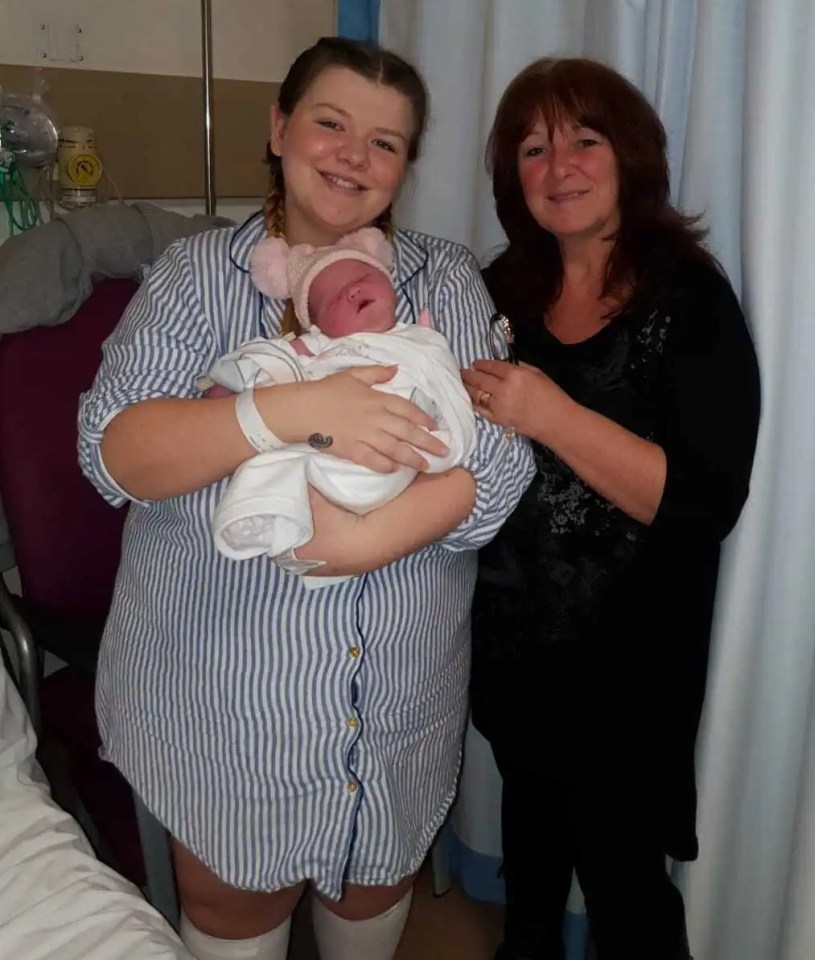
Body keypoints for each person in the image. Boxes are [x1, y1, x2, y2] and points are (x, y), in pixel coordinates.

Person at [77, 37, 534, 960]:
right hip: (227, 702)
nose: (352, 156)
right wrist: (291, 410)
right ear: (279, 127)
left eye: (385, 142)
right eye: (329, 123)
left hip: (403, 694)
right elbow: (113, 454)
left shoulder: (442, 280)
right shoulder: (196, 276)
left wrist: (367, 543)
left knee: (373, 896)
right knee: (239, 911)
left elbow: (501, 457)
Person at [461, 57, 760, 960]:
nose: (560, 166)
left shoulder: (690, 300)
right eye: (533, 149)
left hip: (626, 681)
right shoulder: (497, 288)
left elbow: (703, 502)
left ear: (629, 154)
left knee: (630, 901)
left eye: (584, 140)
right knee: (532, 891)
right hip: (511, 654)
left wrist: (550, 415)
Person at [201, 227, 476, 580]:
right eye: (334, 299)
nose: (352, 291)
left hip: (403, 460)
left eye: (363, 277)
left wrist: (451, 437)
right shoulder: (321, 348)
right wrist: (229, 388)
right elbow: (264, 364)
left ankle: (316, 528)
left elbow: (453, 394)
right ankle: (270, 515)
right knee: (280, 465)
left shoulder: (424, 339)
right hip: (330, 462)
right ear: (319, 327)